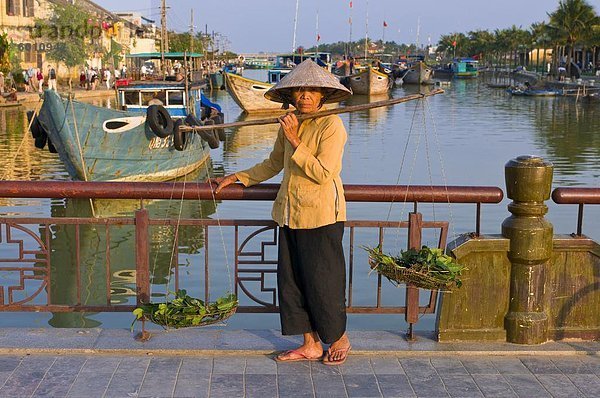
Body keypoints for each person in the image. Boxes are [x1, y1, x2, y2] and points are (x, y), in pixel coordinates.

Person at [212, 60, 353, 366]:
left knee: (323, 281)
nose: (304, 95)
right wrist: (238, 176)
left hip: (322, 216)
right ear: (291, 95)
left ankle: (338, 338)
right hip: (289, 213)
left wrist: (295, 140)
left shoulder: (332, 125)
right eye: (299, 90)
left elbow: (323, 173)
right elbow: (274, 163)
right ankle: (310, 344)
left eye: (311, 90)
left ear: (322, 95)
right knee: (291, 282)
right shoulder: (290, 121)